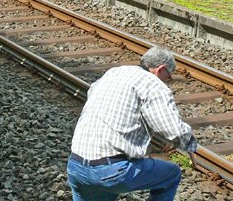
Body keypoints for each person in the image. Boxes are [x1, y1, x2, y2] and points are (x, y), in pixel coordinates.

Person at [67, 46, 197, 201]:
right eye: (168, 77)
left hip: (76, 167)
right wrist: (191, 148)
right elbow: (172, 129)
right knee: (171, 175)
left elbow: (91, 94)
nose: (166, 82)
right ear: (161, 69)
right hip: (112, 172)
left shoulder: (114, 72)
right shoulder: (152, 83)